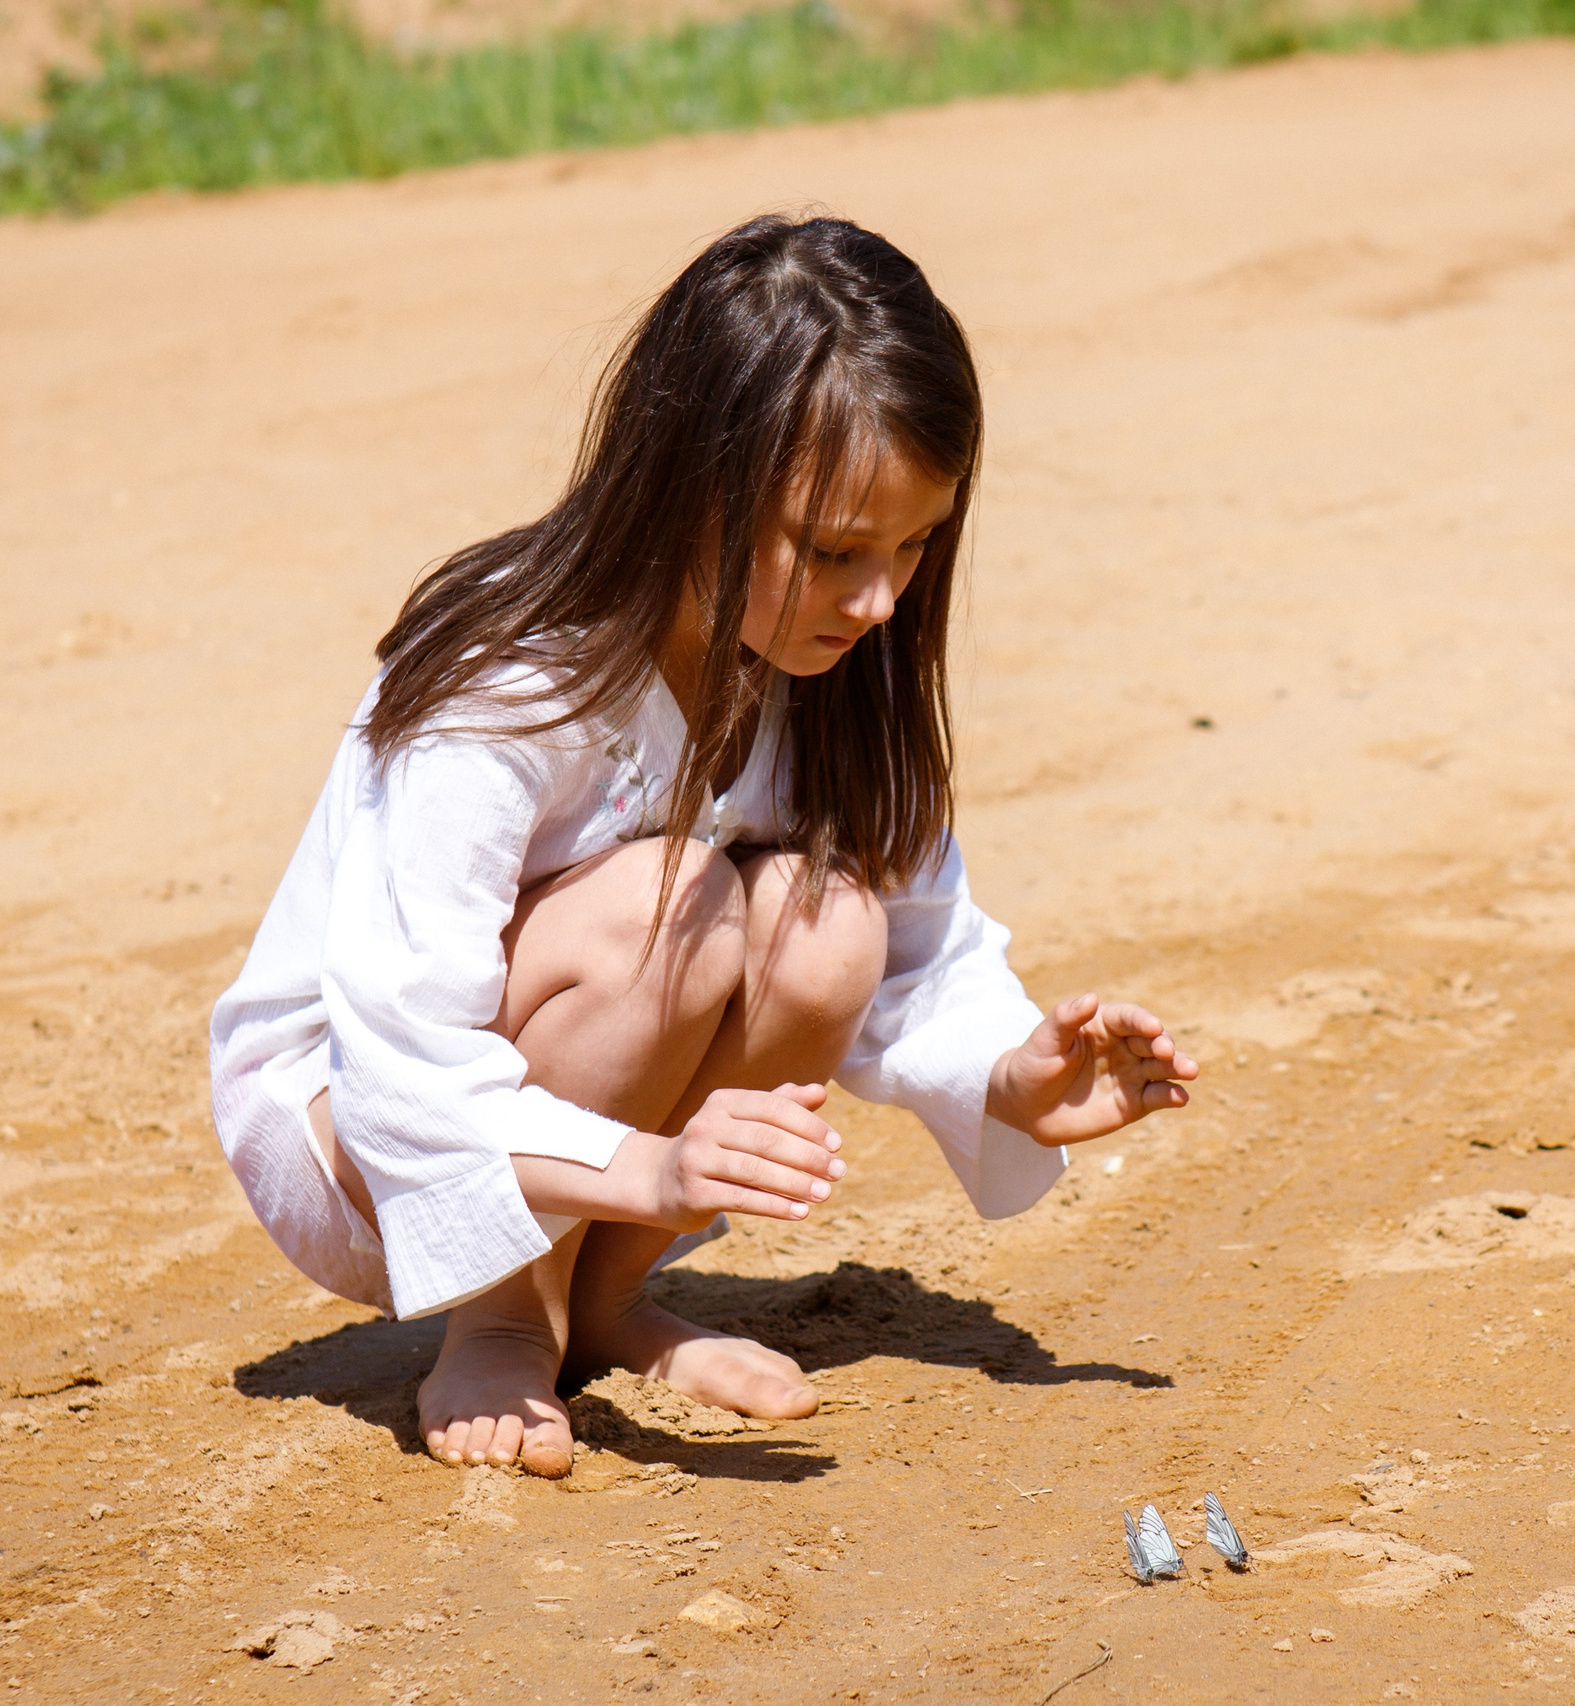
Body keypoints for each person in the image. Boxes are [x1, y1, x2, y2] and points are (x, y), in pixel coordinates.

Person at [209, 213, 1197, 1477]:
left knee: (826, 917)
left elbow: (913, 955)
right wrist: (650, 1165)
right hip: (364, 1137)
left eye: (913, 546)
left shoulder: (841, 672)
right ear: (694, 487)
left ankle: (604, 1298)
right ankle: (509, 1311)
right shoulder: (508, 687)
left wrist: (1010, 1079)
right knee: (656, 909)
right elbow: (400, 1044)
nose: (880, 600)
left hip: (596, 1148)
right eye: (836, 550)